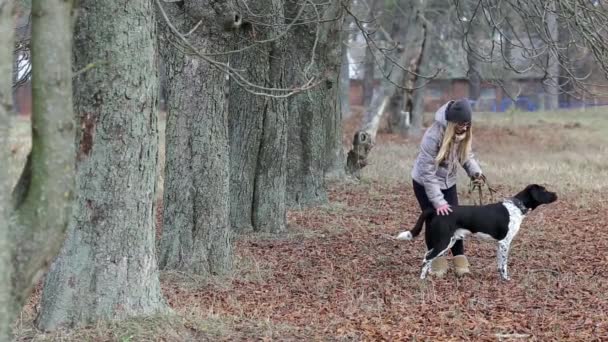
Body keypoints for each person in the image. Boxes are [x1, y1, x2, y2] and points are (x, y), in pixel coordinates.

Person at [409, 98, 485, 277]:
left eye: (467, 124)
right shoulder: (433, 136)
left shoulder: (462, 133)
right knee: (435, 220)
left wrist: (475, 172)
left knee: (456, 220)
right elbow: (427, 173)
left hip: (448, 182)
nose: (465, 127)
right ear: (451, 123)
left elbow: (466, 155)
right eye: (461, 124)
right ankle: (436, 258)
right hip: (424, 182)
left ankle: (459, 257)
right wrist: (438, 201)